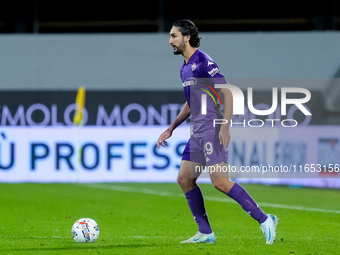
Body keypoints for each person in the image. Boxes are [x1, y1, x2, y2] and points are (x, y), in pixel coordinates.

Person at [157, 19, 278, 244]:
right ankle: (205, 232)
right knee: (184, 178)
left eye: (174, 36)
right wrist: (171, 128)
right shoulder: (184, 68)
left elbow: (228, 92)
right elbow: (191, 103)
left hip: (212, 128)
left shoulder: (203, 61)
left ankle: (265, 219)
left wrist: (225, 126)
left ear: (187, 37)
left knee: (220, 182)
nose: (170, 40)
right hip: (197, 132)